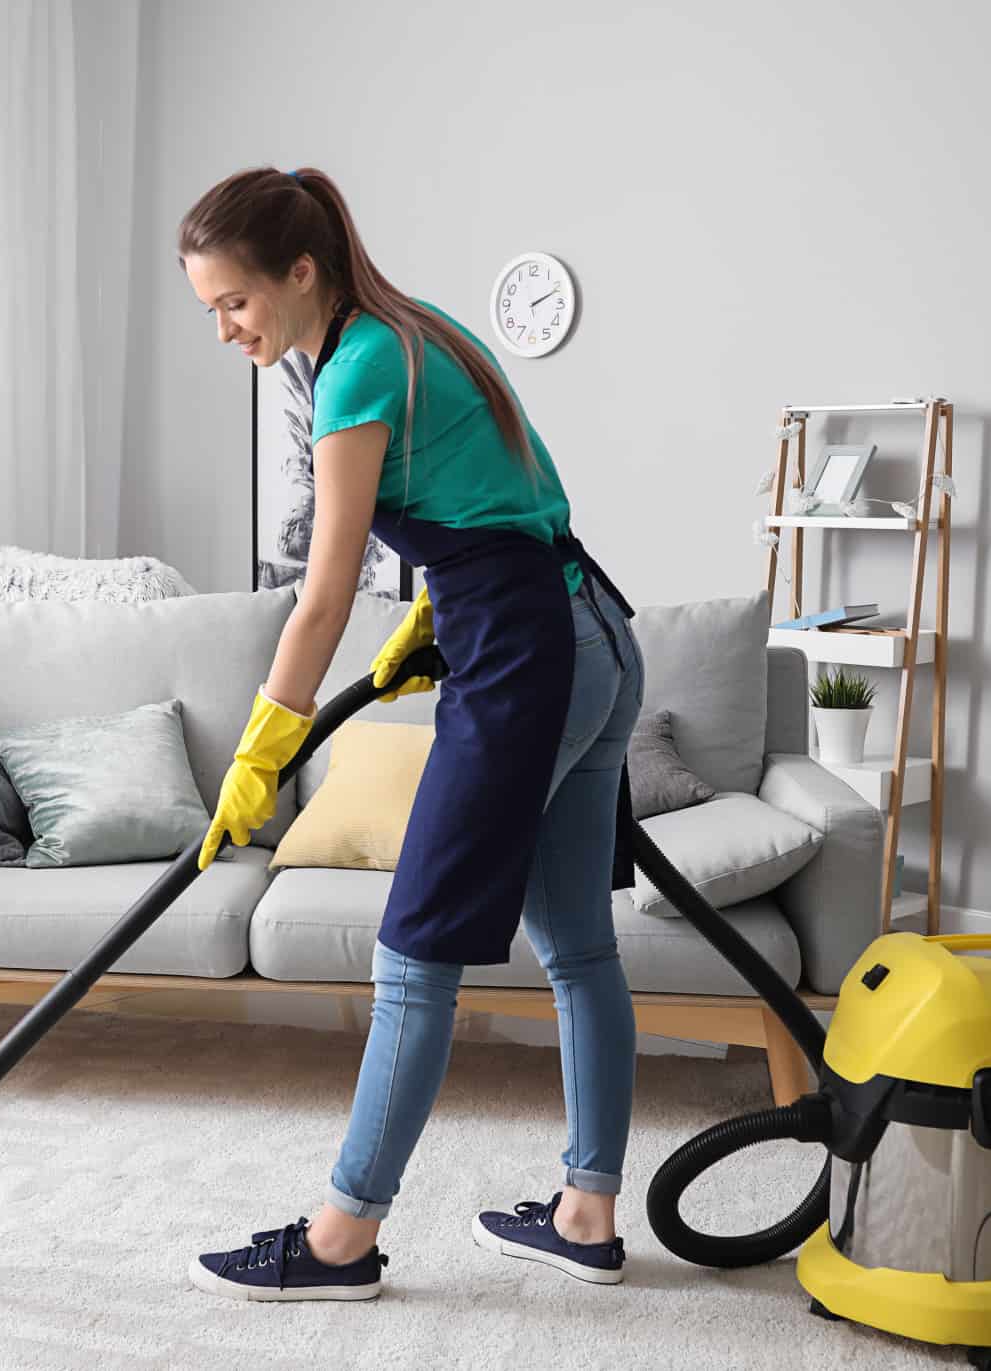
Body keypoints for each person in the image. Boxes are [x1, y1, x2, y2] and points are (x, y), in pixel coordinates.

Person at [178, 166, 646, 1302]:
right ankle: (584, 1210)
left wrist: (260, 752)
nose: (227, 330)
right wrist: (440, 605)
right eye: (209, 312)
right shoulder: (414, 324)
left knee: (410, 958)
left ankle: (338, 1242)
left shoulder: (353, 368)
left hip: (529, 659)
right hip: (593, 632)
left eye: (234, 302)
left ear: (299, 272)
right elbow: (512, 499)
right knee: (576, 945)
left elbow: (323, 594)